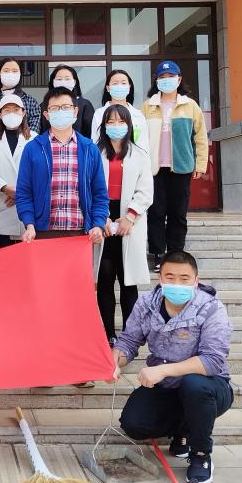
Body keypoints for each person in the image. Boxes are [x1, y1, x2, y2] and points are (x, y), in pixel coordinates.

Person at [111, 250, 233, 483]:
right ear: (160, 279)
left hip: (209, 387)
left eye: (184, 278)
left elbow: (212, 360)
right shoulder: (146, 304)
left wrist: (163, 371)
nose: (177, 284)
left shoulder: (211, 308)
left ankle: (200, 455)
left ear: (196, 281)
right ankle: (183, 429)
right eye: (170, 277)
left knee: (193, 385)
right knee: (134, 423)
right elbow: (128, 342)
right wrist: (114, 361)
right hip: (166, 387)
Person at [17, 86, 108, 388]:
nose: (60, 113)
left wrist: (97, 224)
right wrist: (29, 223)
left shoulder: (89, 149)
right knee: (44, 304)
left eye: (66, 107)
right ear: (46, 114)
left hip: (78, 238)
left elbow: (100, 194)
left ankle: (77, 369)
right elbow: (24, 192)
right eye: (54, 109)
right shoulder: (34, 148)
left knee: (76, 305)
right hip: (44, 235)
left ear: (75, 111)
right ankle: (44, 368)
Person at [141, 61, 208, 271]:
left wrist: (200, 163)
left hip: (181, 167)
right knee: (156, 212)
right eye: (162, 77)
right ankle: (158, 254)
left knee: (178, 213)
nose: (166, 80)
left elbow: (200, 137)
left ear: (179, 79)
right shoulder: (147, 106)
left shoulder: (191, 106)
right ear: (156, 81)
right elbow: (138, 138)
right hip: (154, 169)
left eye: (171, 76)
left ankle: (176, 253)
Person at [96, 105, 153, 345]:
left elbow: (146, 191)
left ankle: (130, 337)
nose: (116, 126)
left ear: (129, 125)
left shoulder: (140, 154)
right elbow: (88, 187)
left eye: (121, 121)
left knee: (128, 282)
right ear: (103, 126)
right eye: (111, 121)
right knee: (105, 279)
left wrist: (130, 217)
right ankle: (109, 333)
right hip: (103, 218)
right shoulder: (94, 152)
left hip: (130, 221)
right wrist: (101, 217)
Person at [0, 94, 36, 248]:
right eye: (7, 111)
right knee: (4, 256)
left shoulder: (35, 139)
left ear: (23, 112)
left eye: (16, 110)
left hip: (29, 209)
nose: (11, 113)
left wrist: (19, 193)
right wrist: (5, 188)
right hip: (3, 207)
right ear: (0, 115)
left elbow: (39, 172)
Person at [91, 69, 149, 149]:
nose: (119, 86)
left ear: (129, 87)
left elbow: (144, 143)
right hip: (106, 155)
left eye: (123, 83)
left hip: (134, 156)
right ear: (108, 88)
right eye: (115, 83)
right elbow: (95, 140)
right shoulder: (99, 113)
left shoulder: (138, 114)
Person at [0, 58, 40, 135]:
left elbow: (33, 133)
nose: (10, 74)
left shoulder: (31, 102)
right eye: (6, 71)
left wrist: (22, 141)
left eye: (15, 71)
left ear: (20, 75)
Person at [38, 64, 94, 138]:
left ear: (74, 82)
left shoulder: (85, 105)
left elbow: (90, 132)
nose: (63, 82)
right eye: (59, 79)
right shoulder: (44, 105)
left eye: (67, 79)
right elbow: (42, 130)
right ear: (53, 82)